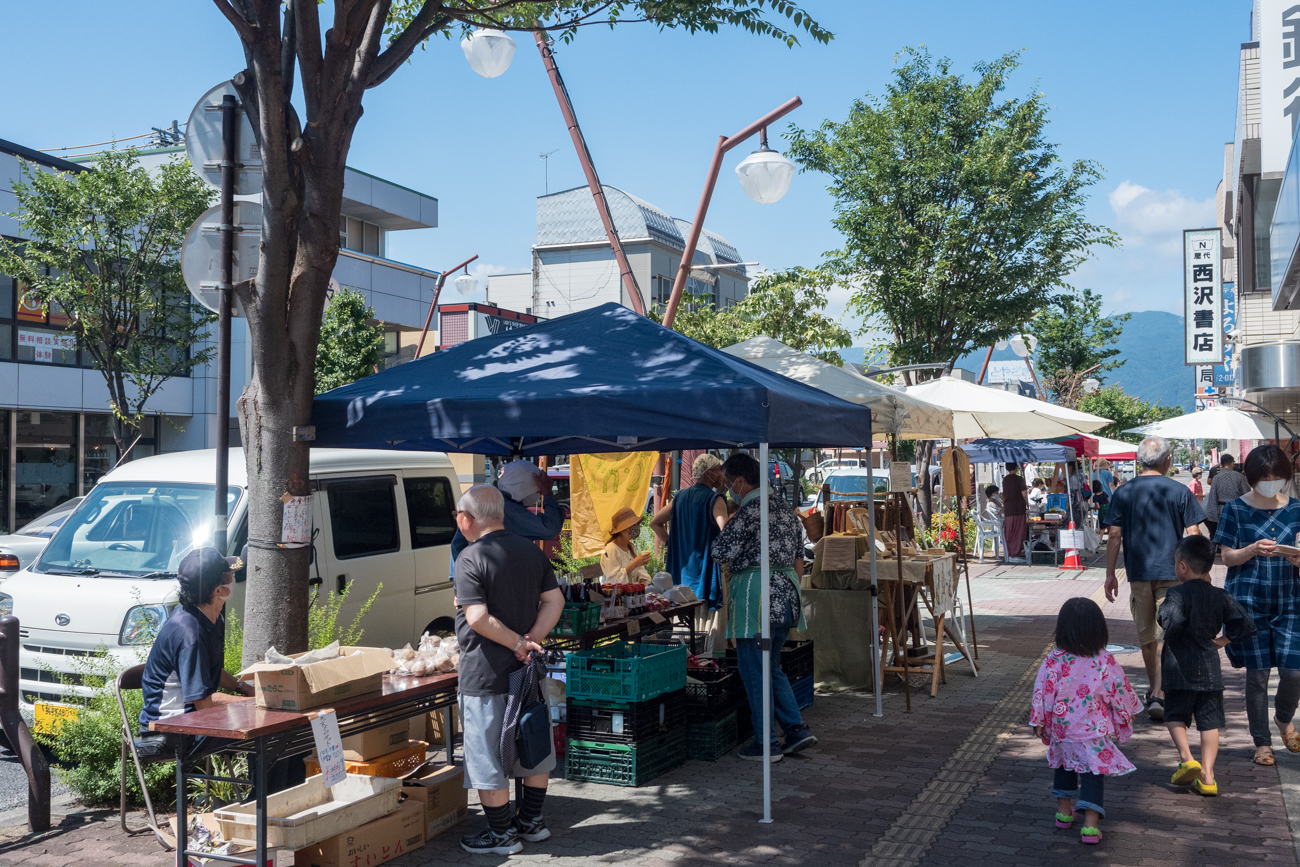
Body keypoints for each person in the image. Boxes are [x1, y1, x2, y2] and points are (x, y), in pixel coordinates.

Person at [453, 485, 566, 855]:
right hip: (527, 671)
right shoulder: (530, 553)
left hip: (485, 673)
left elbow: (477, 617)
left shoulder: (470, 558)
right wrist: (531, 639)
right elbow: (555, 600)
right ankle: (531, 822)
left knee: (487, 753)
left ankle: (501, 835)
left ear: (466, 518)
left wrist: (518, 643)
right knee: (532, 741)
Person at [711, 453, 816, 762]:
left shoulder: (748, 512)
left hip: (756, 601)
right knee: (772, 667)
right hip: (788, 596)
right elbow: (799, 557)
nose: (729, 489)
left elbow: (720, 551)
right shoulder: (785, 510)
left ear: (741, 482)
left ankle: (765, 742)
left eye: (730, 484)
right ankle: (796, 729)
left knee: (755, 670)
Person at [1104, 436, 1205, 722]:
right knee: (1168, 635)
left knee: (1146, 634)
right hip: (1173, 572)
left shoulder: (1123, 492)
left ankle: (1154, 690)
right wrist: (1199, 573)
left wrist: (1110, 574)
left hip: (1138, 572)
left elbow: (1114, 535)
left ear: (1139, 461)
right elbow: (1194, 534)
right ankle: (1161, 692)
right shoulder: (1179, 490)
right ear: (1167, 461)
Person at [1030, 597, 1143, 846]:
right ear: (1099, 629)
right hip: (1094, 730)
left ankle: (1063, 814)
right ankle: (1090, 827)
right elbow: (1119, 692)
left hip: (1063, 729)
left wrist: (1040, 721)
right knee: (1093, 772)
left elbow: (1043, 694)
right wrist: (1125, 714)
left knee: (1064, 766)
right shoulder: (1104, 660)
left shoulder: (1054, 660)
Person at [1213, 443, 1300, 767]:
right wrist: (1250, 549)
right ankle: (1262, 742)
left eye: (1278, 477)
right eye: (1265, 477)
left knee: (1293, 672)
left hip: (1291, 599)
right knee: (1257, 675)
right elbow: (1226, 556)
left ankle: (1283, 718)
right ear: (1251, 478)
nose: (1272, 482)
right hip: (1249, 599)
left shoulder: (1296, 509)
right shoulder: (1236, 509)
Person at [1158, 535, 1256, 795]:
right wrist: (1222, 641)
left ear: (1182, 567)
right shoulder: (1220, 595)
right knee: (1210, 722)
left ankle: (1187, 758)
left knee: (1175, 715)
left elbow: (1171, 619)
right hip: (1210, 667)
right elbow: (1245, 624)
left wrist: (1165, 618)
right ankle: (1209, 776)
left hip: (1178, 665)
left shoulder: (1176, 592)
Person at [139, 548, 254, 758]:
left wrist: (242, 688)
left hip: (193, 717)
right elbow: (204, 702)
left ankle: (267, 790)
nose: (233, 580)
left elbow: (209, 670)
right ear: (219, 590)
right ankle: (261, 792)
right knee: (264, 730)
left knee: (274, 729)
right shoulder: (189, 634)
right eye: (230, 576)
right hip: (171, 728)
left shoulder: (211, 617)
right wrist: (255, 704)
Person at [449, 460, 564, 581]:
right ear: (524, 489)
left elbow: (458, 544)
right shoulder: (511, 511)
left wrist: (459, 579)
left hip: (478, 579)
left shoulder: (483, 502)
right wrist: (548, 494)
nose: (538, 496)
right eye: (537, 491)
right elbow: (550, 528)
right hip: (503, 582)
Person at [650, 453, 728, 608]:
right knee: (706, 625)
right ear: (708, 473)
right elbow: (727, 531)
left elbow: (655, 523)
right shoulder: (715, 499)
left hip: (681, 573)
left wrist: (671, 545)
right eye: (718, 469)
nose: (721, 474)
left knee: (683, 624)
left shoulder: (680, 497)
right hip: (705, 574)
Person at [600, 506, 652, 585]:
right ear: (622, 530)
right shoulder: (611, 549)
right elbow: (613, 581)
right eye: (632, 525)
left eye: (636, 524)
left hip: (632, 595)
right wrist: (634, 564)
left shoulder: (631, 547)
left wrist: (643, 581)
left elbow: (641, 570)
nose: (636, 528)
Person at [1204, 453, 1250, 539]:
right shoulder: (1240, 477)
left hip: (1222, 510)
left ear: (1221, 465)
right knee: (1236, 535)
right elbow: (1247, 494)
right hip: (1237, 510)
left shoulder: (1216, 478)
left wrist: (1213, 515)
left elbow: (1213, 497)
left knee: (1223, 536)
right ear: (1232, 463)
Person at [1002, 462, 1028, 563]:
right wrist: (1027, 504)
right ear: (1016, 467)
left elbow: (1004, 494)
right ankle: (1015, 553)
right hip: (1018, 507)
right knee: (1018, 531)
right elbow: (1024, 494)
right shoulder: (1019, 479)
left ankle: (1010, 552)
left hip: (1008, 508)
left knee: (1010, 530)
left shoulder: (1005, 479)